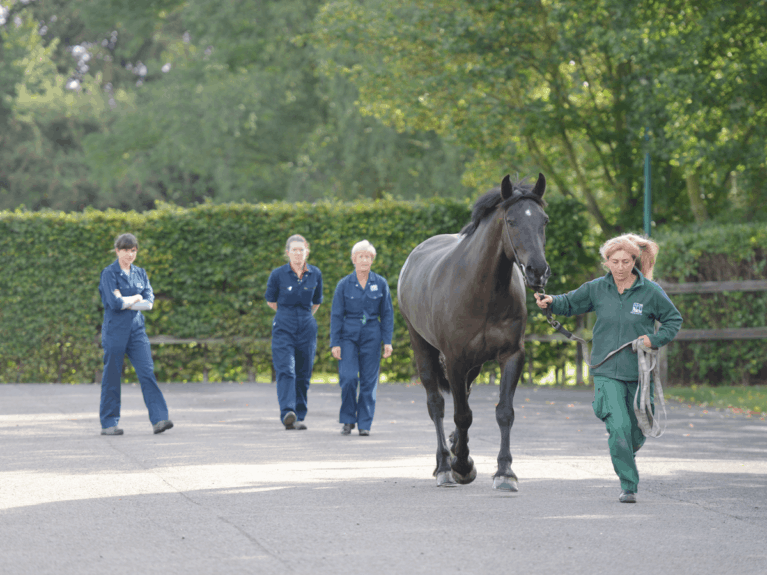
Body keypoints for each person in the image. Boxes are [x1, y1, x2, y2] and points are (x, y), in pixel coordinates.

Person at [534, 233, 682, 503]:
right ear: (607, 263)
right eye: (615, 261)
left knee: (640, 429)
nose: (621, 267)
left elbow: (673, 319)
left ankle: (623, 450)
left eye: (626, 261)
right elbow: (569, 302)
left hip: (640, 372)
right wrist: (551, 301)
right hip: (605, 370)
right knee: (619, 427)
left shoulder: (650, 291)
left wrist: (654, 339)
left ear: (634, 261)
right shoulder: (596, 289)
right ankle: (629, 485)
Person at [98, 233, 173, 436]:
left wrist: (127, 300)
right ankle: (109, 423)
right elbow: (114, 303)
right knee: (112, 375)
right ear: (117, 251)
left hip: (137, 331)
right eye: (125, 250)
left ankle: (159, 419)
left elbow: (148, 303)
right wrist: (136, 298)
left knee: (147, 372)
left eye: (133, 251)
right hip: (115, 331)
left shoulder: (140, 273)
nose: (129, 255)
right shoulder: (109, 273)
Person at [330, 240, 394, 436]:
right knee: (348, 378)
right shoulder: (343, 284)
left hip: (372, 336)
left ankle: (365, 423)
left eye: (368, 256)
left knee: (368, 381)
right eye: (361, 256)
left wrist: (388, 341)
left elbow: (388, 314)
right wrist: (335, 343)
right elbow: (336, 315)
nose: (364, 260)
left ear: (372, 260)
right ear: (353, 260)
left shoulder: (380, 283)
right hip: (348, 336)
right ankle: (348, 420)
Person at [265, 234, 323, 430]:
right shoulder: (277, 274)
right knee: (286, 370)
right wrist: (287, 315)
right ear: (287, 252)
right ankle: (287, 412)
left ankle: (298, 415)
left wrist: (304, 316)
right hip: (283, 326)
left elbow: (317, 302)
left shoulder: (315, 274)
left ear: (307, 252)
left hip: (307, 326)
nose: (298, 253)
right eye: (294, 250)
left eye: (301, 250)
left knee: (303, 373)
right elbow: (271, 301)